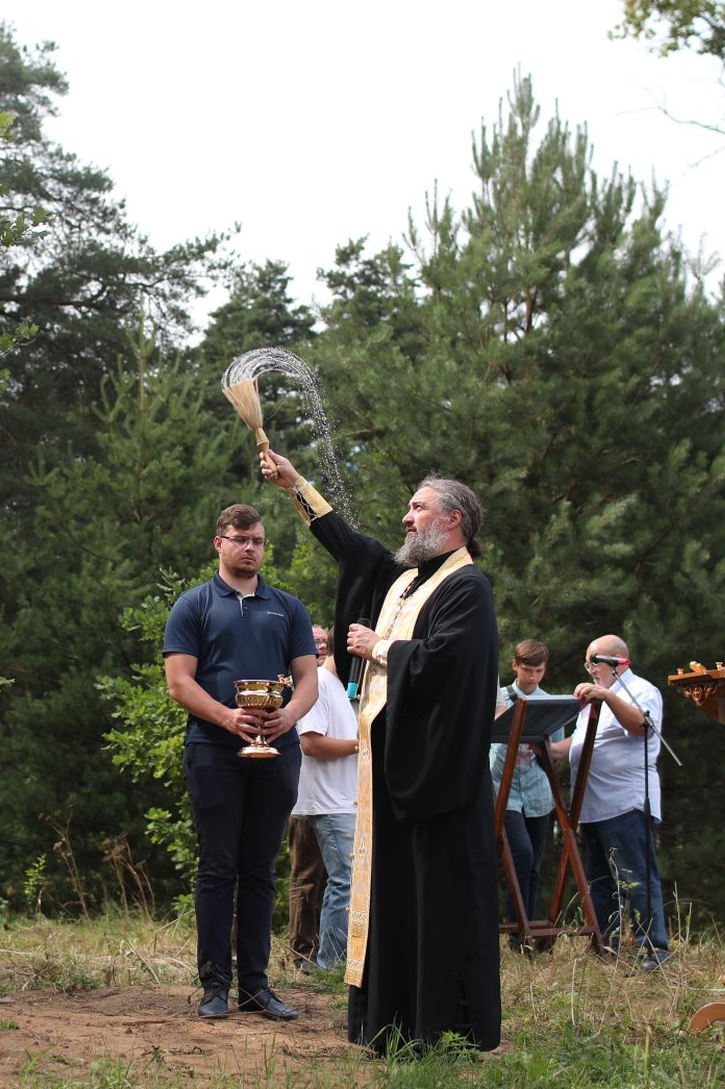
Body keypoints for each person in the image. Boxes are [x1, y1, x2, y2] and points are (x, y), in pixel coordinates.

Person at [259, 449, 500, 1054]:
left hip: (435, 777)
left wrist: (380, 649)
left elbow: (451, 662)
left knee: (433, 899)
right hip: (392, 770)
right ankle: (391, 1022)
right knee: (393, 897)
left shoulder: (466, 586)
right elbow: (351, 545)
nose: (405, 518)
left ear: (454, 522)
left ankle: (440, 1027)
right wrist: (295, 484)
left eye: (418, 508)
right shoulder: (407, 581)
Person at [163, 503, 319, 1022]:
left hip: (278, 750)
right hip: (214, 750)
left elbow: (308, 681)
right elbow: (179, 682)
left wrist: (288, 716)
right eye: (241, 539)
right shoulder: (194, 605)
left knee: (259, 870)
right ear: (220, 543)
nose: (250, 548)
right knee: (217, 867)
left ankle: (256, 985)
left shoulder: (288, 607)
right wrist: (229, 719)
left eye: (258, 540)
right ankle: (214, 985)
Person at [553, 635, 668, 969]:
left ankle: (654, 950)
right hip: (591, 805)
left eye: (594, 661)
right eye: (586, 662)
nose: (588, 669)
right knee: (600, 884)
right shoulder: (596, 697)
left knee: (637, 880)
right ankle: (606, 948)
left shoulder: (641, 690)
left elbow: (641, 726)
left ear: (618, 662)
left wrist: (605, 696)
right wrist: (549, 749)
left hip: (625, 802)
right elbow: (582, 740)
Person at [288, 625, 357, 972]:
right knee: (338, 882)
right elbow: (311, 743)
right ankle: (329, 963)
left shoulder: (343, 689)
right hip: (325, 804)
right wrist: (365, 745)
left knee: (343, 881)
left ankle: (330, 960)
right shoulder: (316, 682)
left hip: (345, 801)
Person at [489, 638, 563, 928]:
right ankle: (515, 920)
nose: (532, 677)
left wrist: (543, 749)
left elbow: (555, 753)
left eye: (539, 671)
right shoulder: (500, 698)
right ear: (515, 665)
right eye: (527, 670)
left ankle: (525, 929)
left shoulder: (550, 703)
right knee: (521, 852)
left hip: (537, 791)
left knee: (533, 866)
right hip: (503, 788)